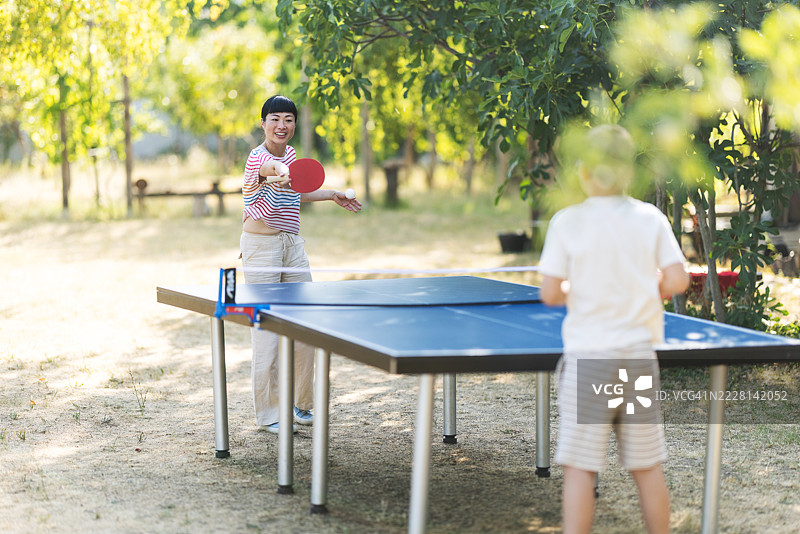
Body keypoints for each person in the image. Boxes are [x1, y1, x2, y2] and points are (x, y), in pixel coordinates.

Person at [538, 124, 690, 534]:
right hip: (637, 359)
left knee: (581, 469)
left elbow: (550, 292)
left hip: (590, 360)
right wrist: (642, 287)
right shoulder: (650, 217)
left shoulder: (567, 221)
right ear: (628, 173)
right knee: (646, 465)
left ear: (583, 171)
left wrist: (581, 287)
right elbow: (677, 281)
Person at [240, 95, 362, 433]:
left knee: (306, 322)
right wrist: (278, 170)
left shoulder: (291, 155)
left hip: (292, 245)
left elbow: (296, 189)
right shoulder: (257, 158)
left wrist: (332, 194)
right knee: (266, 329)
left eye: (289, 119)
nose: (282, 125)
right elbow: (271, 170)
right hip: (261, 248)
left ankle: (302, 404)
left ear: (294, 124)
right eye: (275, 119)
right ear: (263, 123)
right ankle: (269, 414)